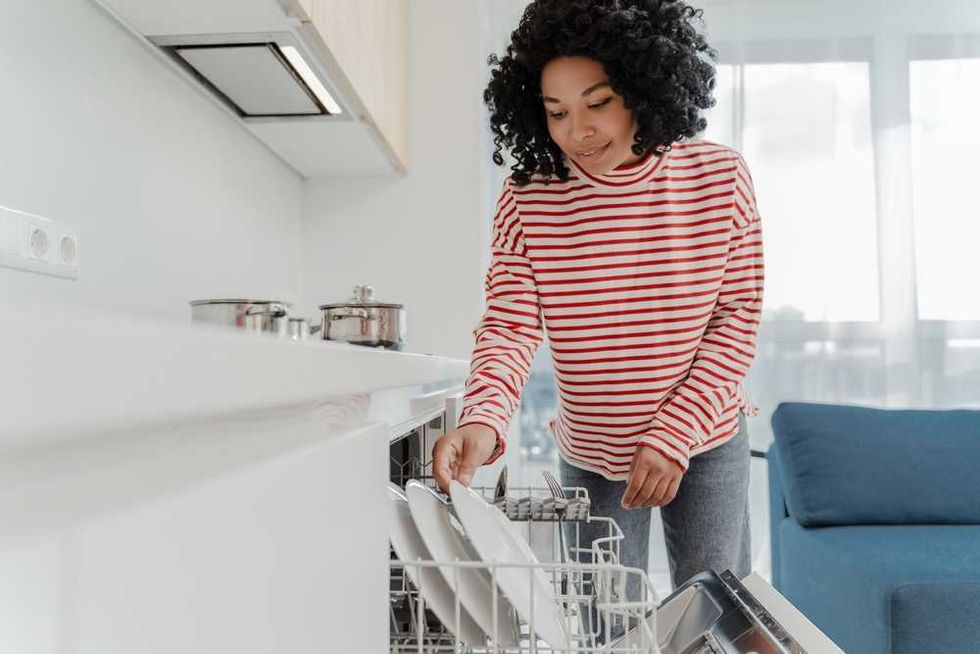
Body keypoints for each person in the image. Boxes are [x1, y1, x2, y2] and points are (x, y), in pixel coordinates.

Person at [433, 0, 764, 609]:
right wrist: (483, 418)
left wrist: (674, 433)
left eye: (598, 103)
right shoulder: (528, 196)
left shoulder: (719, 178)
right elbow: (509, 324)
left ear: (644, 88)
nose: (576, 132)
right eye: (556, 112)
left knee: (718, 610)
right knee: (597, 618)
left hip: (705, 438)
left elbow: (735, 320)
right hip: (591, 448)